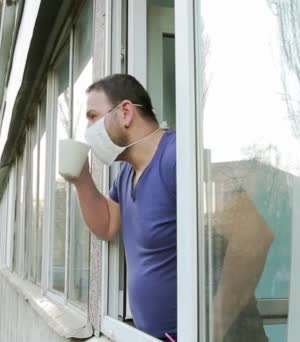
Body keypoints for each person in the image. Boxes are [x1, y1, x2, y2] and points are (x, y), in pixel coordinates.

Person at [62, 74, 177, 340]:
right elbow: (108, 226)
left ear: (125, 112)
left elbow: (253, 235)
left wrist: (215, 323)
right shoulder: (126, 174)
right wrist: (82, 179)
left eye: (92, 116)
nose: (88, 130)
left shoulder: (175, 157)